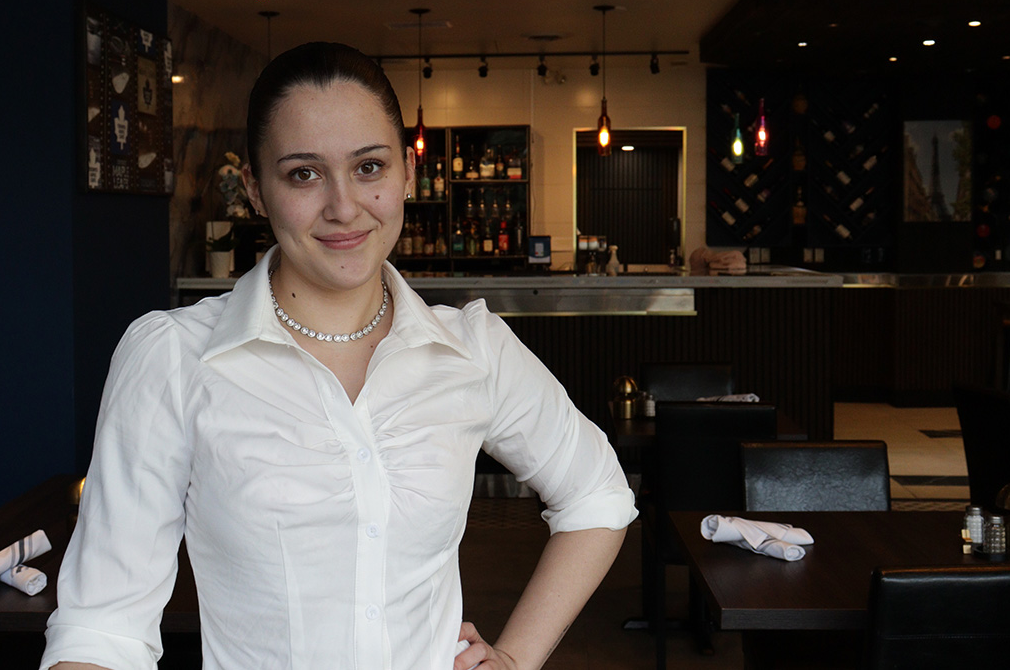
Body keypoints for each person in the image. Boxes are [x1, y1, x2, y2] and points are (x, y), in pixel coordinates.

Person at [41, 42, 636, 670]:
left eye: (369, 167)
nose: (344, 206)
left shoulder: (472, 349)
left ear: (407, 171)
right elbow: (103, 627)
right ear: (256, 189)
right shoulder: (173, 357)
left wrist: (516, 657)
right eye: (303, 173)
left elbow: (596, 493)